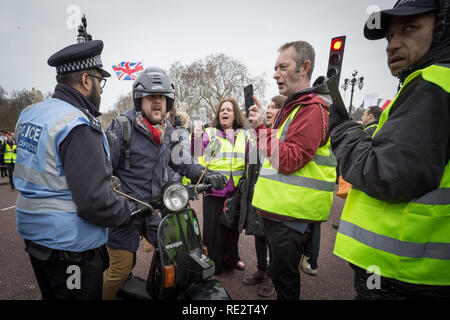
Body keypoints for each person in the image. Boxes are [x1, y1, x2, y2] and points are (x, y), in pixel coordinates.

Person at [330, 0, 450, 299]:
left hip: (404, 276)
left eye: (409, 29)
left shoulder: (435, 84)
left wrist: (342, 128)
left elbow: (384, 173)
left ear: (442, 30)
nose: (392, 45)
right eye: (389, 36)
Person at [14, 37, 131, 300]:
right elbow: (94, 201)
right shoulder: (78, 125)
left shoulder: (32, 113)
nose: (101, 89)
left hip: (35, 239)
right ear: (86, 80)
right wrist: (125, 211)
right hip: (71, 249)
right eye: (100, 81)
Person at [102, 67, 227, 300]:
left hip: (152, 210)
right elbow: (103, 171)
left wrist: (206, 174)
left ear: (169, 102)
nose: (157, 102)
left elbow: (184, 163)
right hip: (123, 211)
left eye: (162, 98)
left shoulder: (169, 131)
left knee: (178, 250)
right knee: (120, 270)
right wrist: (113, 195)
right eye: (151, 97)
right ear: (140, 101)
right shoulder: (122, 127)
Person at [248, 41, 336, 300]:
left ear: (305, 67)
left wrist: (260, 131)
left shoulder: (311, 107)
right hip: (284, 213)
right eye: (275, 68)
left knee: (285, 284)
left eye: (283, 67)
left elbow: (288, 160)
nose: (275, 74)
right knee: (281, 276)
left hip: (291, 216)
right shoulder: (296, 106)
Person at [193, 98, 249, 274]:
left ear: (235, 115)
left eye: (229, 110)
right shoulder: (210, 133)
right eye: (222, 110)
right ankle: (212, 263)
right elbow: (197, 155)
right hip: (213, 189)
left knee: (232, 228)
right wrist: (195, 137)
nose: (224, 112)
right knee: (213, 229)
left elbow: (251, 160)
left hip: (235, 192)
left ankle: (232, 260)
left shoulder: (245, 135)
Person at [240, 95, 285, 297]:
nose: (269, 110)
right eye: (268, 106)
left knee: (273, 239)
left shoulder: (284, 132)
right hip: (258, 191)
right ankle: (261, 269)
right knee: (259, 233)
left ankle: (272, 278)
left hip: (277, 196)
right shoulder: (259, 132)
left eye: (274, 107)